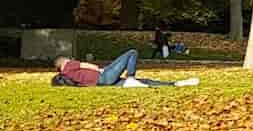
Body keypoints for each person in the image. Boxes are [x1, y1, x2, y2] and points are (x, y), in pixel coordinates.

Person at [53, 51, 199, 88]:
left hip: (101, 83)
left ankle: (174, 84)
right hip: (104, 77)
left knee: (144, 83)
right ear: (63, 62)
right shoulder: (69, 65)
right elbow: (90, 66)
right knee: (132, 52)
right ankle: (131, 77)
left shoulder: (65, 75)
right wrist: (102, 69)